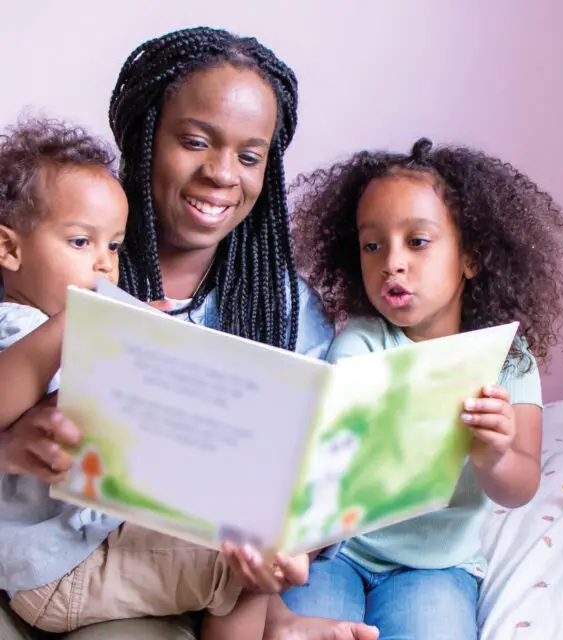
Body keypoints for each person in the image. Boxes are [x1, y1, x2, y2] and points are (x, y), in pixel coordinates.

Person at [0, 27, 379, 640]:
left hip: (163, 585)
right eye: (195, 141)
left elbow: (317, 483)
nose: (222, 173)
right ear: (146, 138)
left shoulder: (280, 308)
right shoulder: (49, 244)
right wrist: (7, 448)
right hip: (35, 557)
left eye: (249, 156)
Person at [281, 137, 563, 639]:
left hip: (437, 566)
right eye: (372, 245)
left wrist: (494, 455)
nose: (391, 262)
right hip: (340, 551)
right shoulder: (360, 341)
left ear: (471, 258)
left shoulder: (510, 362)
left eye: (417, 241)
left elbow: (520, 486)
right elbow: (328, 461)